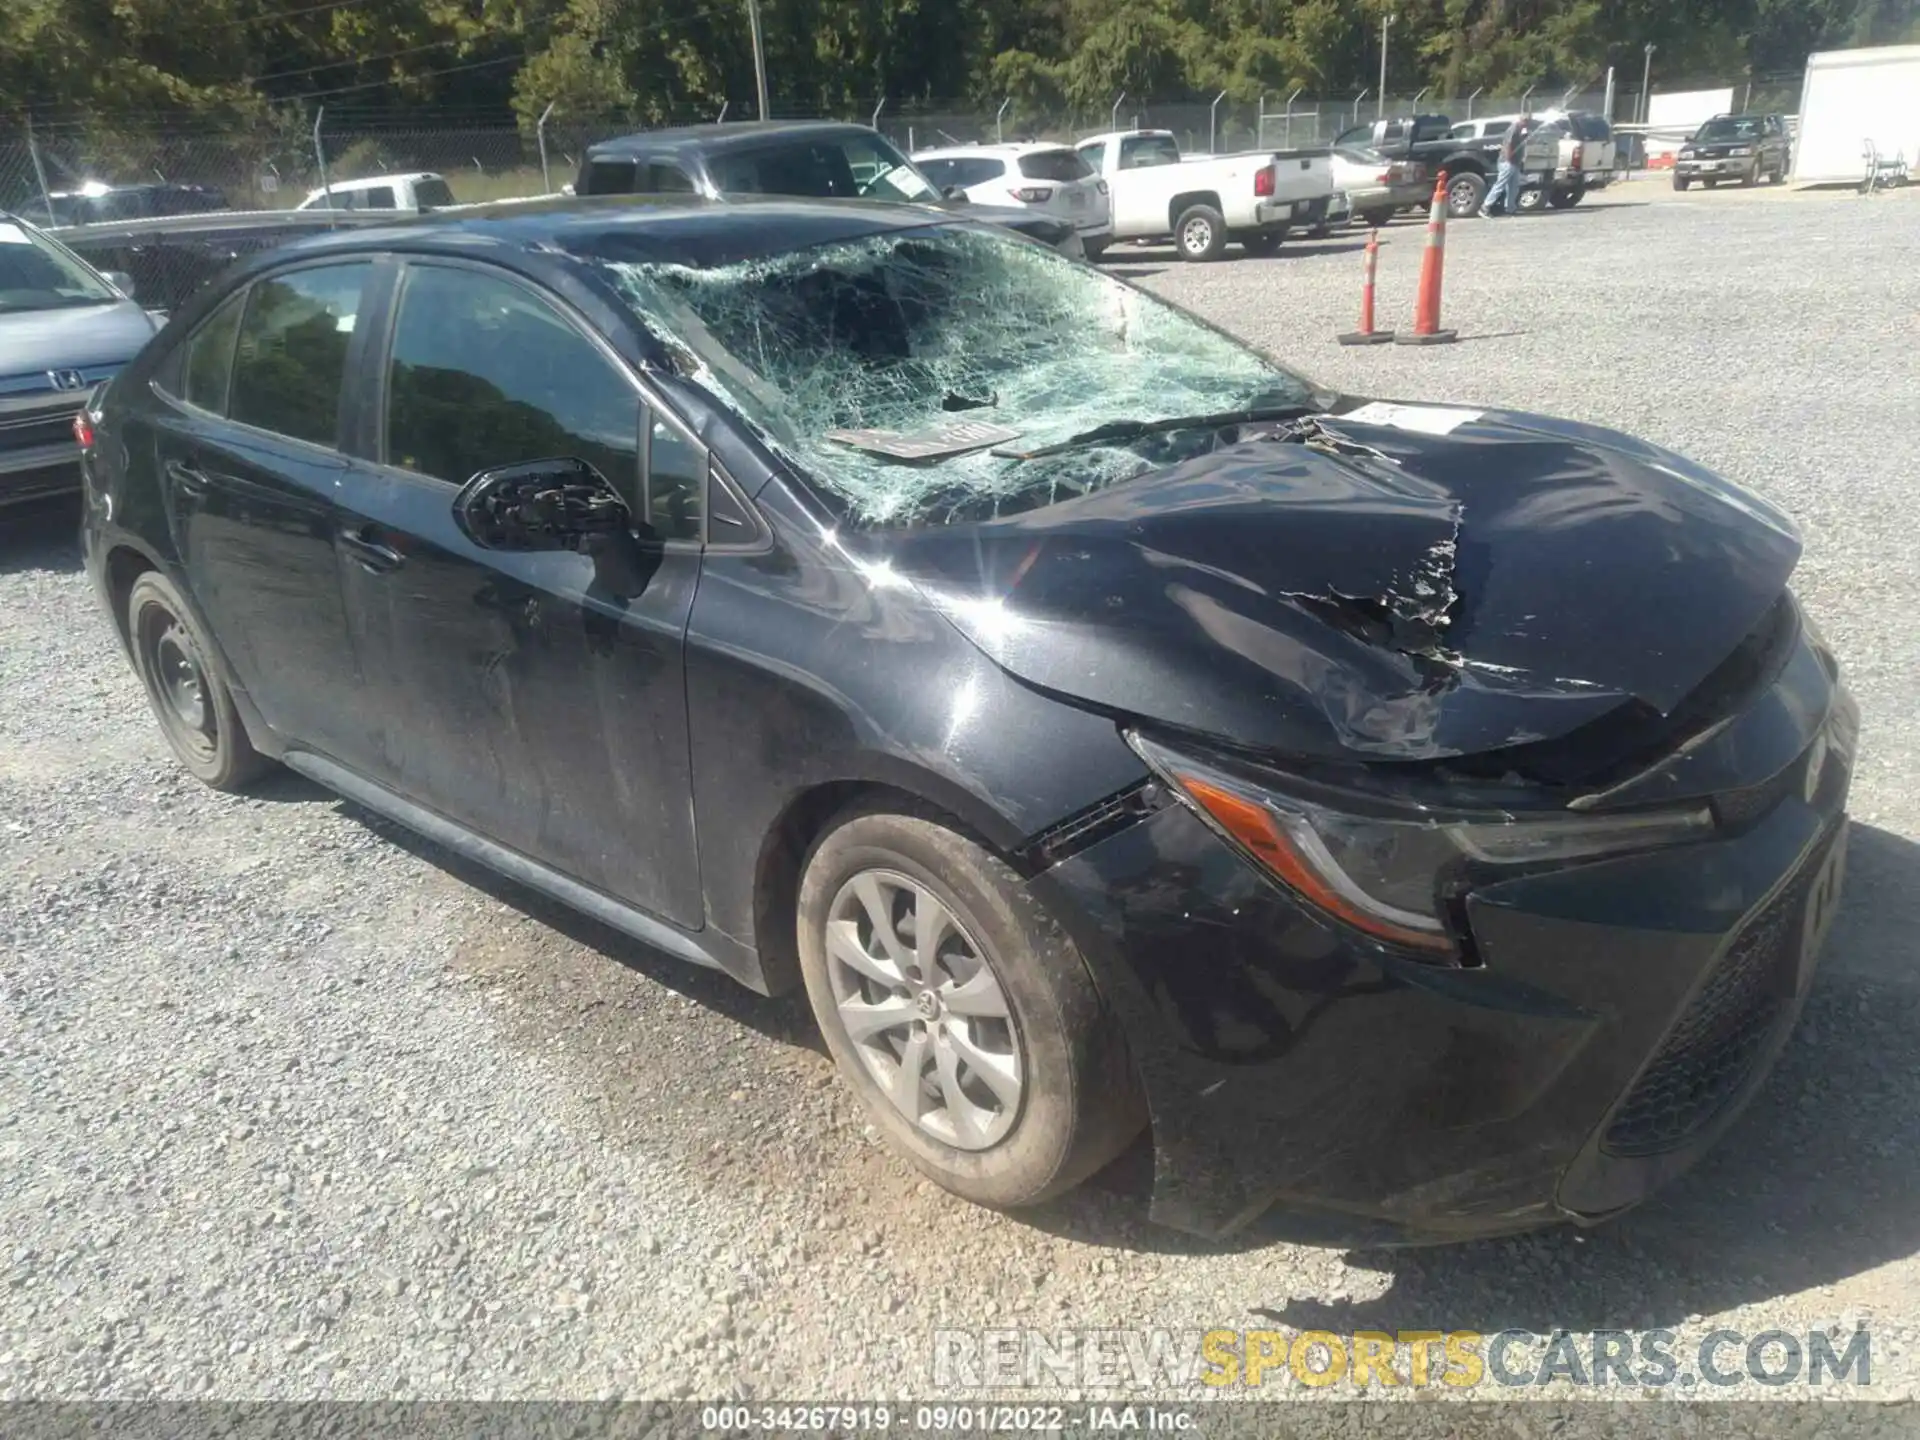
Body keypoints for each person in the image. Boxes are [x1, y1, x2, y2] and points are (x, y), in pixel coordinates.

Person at [1484, 113, 1535, 217]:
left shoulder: (1522, 130)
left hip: (1515, 162)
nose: (1527, 123)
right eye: (1526, 121)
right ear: (1521, 120)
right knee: (1501, 184)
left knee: (1513, 186)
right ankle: (1485, 206)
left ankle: (1510, 208)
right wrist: (1509, 159)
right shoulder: (1514, 128)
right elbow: (1508, 144)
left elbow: (1524, 143)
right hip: (1508, 162)